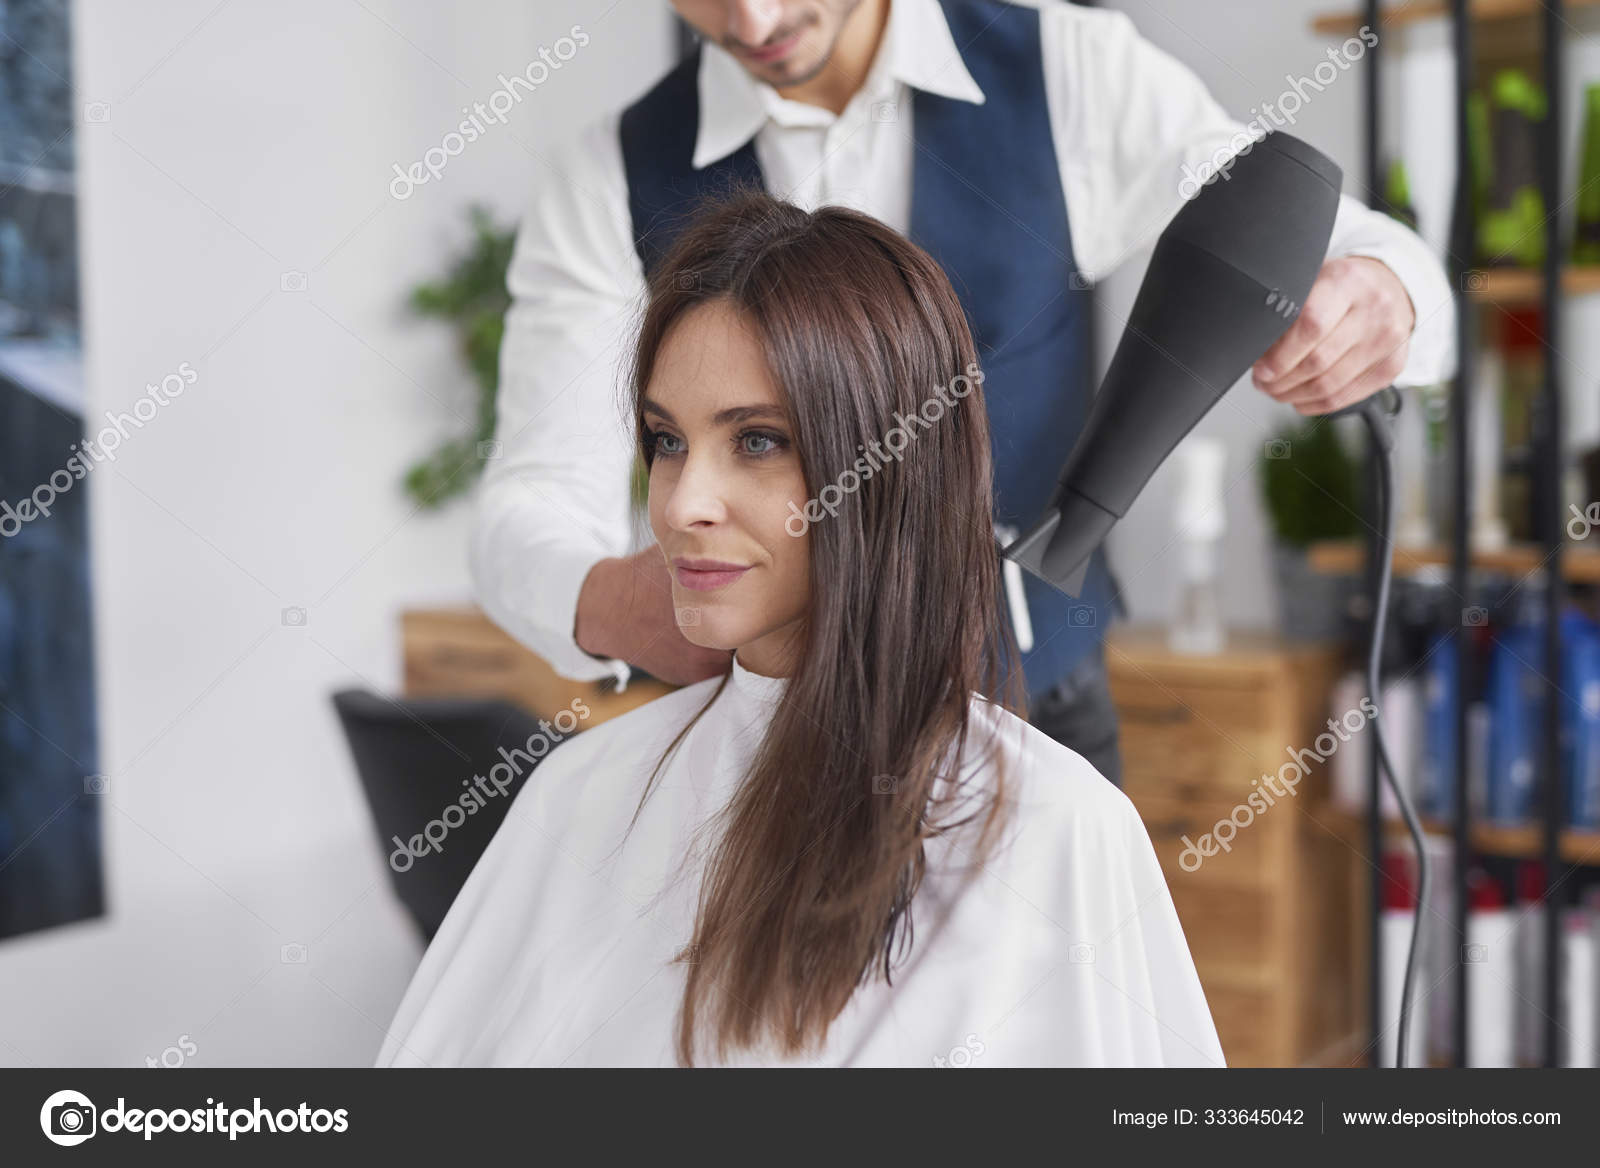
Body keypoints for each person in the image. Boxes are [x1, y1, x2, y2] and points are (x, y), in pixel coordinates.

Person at [470, 0, 1457, 789]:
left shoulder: (1070, 75)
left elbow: (1353, 242)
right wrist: (603, 599)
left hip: (1041, 711)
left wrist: (1388, 297)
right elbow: (525, 503)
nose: (754, 19)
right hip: (765, 751)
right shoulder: (609, 176)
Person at [375, 192, 1224, 1067]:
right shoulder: (583, 798)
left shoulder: (1058, 826)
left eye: (756, 442)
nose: (683, 505)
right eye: (668, 442)